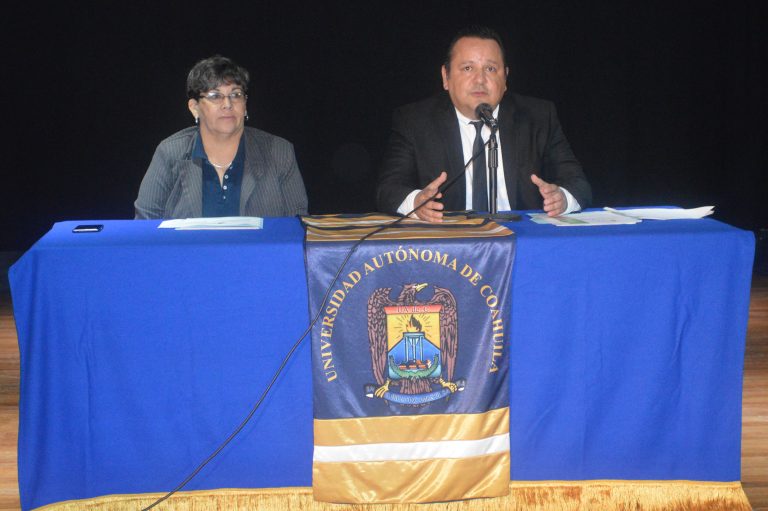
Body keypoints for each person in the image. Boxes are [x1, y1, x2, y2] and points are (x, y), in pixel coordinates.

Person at [376, 26, 591, 222]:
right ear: (446, 76)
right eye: (468, 68)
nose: (480, 80)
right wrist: (416, 203)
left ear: (505, 78)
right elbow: (388, 189)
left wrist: (562, 198)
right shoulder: (415, 120)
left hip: (523, 239)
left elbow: (578, 184)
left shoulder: (538, 116)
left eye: (490, 69)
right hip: (451, 244)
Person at [134, 55, 308, 219]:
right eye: (215, 96)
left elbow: (298, 229)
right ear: (194, 107)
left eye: (236, 95)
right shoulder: (170, 152)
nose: (227, 104)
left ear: (245, 105)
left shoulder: (279, 152)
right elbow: (144, 227)